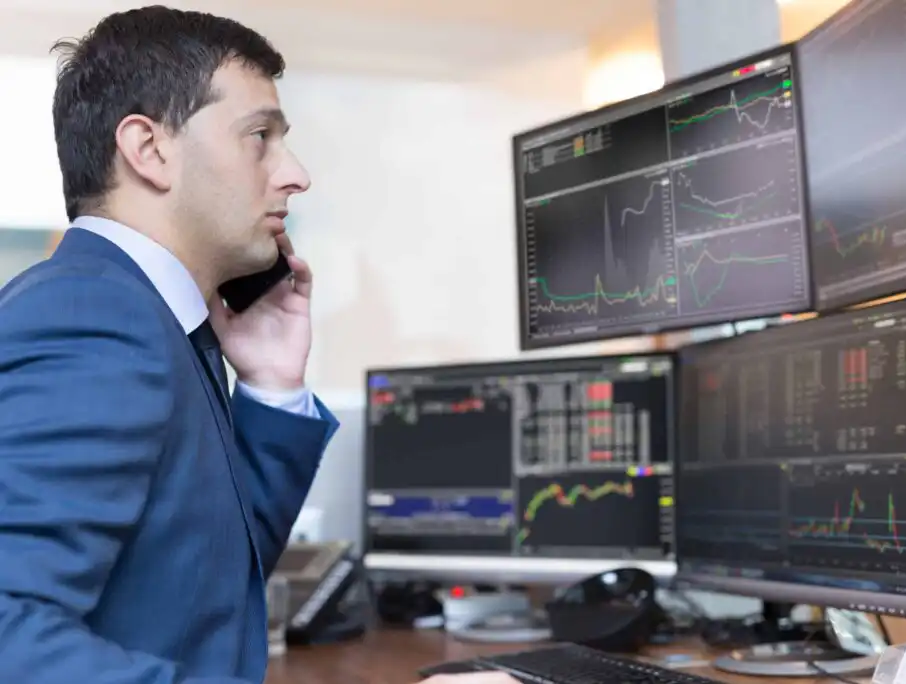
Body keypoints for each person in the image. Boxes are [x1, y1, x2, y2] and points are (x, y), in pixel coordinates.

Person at [0, 6, 518, 684]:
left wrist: (271, 384)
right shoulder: (94, 316)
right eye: (260, 137)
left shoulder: (154, 317)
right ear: (148, 149)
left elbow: (209, 587)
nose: (295, 173)